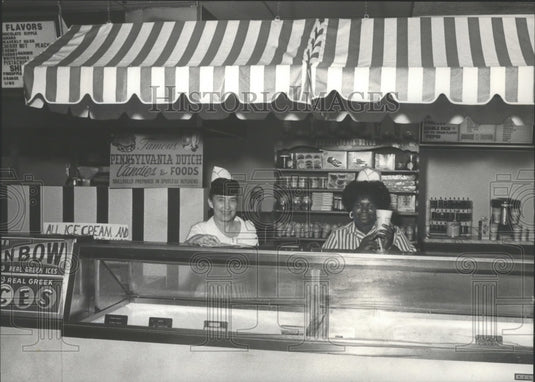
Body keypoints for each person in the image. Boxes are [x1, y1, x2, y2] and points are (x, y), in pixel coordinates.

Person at [322, 180, 416, 252]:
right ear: (351, 208)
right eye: (358, 206)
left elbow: (415, 266)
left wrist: (390, 247)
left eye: (371, 206)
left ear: (379, 209)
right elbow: (324, 267)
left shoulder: (393, 233)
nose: (364, 210)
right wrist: (358, 252)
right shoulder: (338, 235)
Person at [185, 167, 258, 247]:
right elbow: (186, 247)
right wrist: (195, 240)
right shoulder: (201, 230)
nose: (227, 207)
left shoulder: (248, 229)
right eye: (221, 200)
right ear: (210, 203)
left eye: (232, 200)